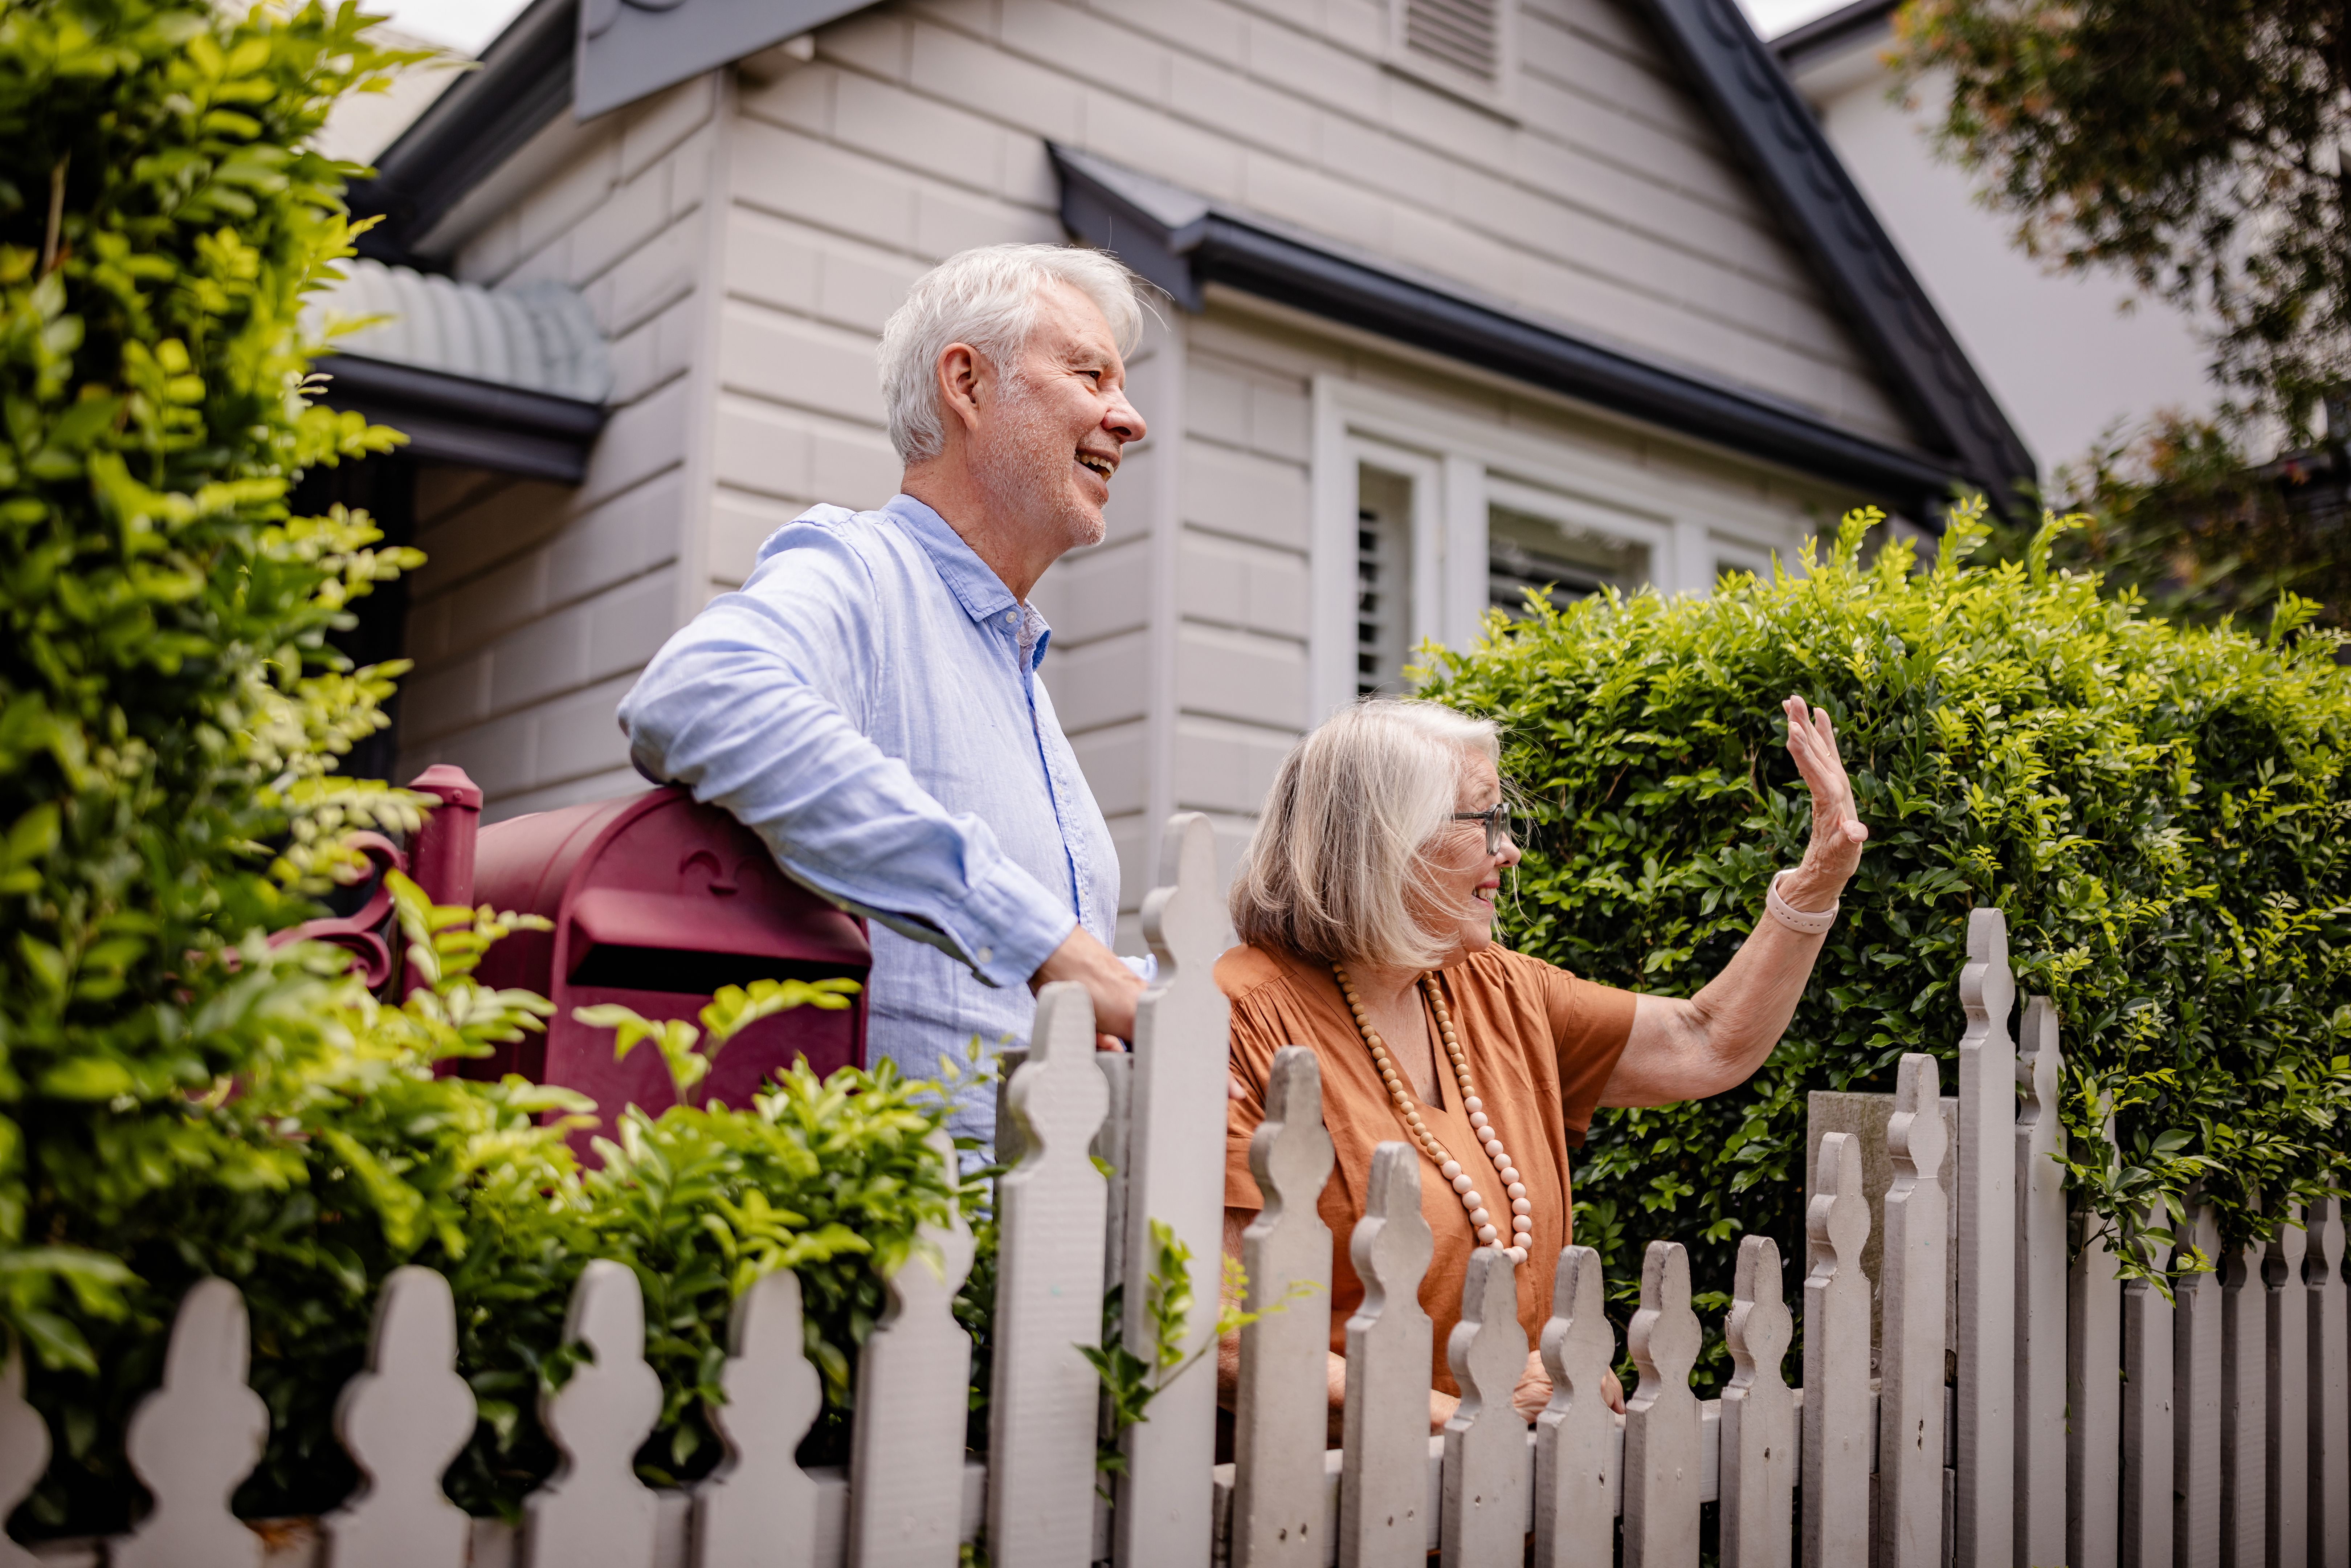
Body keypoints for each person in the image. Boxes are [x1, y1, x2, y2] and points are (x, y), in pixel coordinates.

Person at [618, 244, 1155, 1150]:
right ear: (967, 384)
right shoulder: (862, 570)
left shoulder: (1014, 668)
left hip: (1029, 1258)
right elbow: (700, 690)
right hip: (890, 1253)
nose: (1128, 418)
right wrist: (1045, 946)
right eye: (1090, 373)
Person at [1216, 695, 1868, 1431]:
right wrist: (1469, 1420)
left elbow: (1704, 1041)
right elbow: (1226, 1338)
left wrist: (1818, 879)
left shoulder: (1492, 987)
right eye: (1483, 820)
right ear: (1385, 837)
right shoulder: (1240, 1017)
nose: (1508, 851)